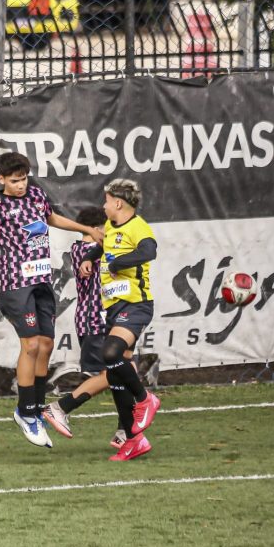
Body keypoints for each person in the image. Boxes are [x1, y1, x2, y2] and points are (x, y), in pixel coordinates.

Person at [0, 152, 103, 448]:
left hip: (42, 283)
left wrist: (86, 229)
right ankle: (25, 413)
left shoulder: (36, 195)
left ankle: (36, 408)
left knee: (46, 345)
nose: (21, 184)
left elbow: (51, 218)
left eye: (23, 178)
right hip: (17, 287)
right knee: (32, 345)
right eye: (14, 181)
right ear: (1, 179)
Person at [85, 178, 161, 461]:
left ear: (118, 203)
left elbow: (149, 251)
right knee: (116, 370)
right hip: (115, 307)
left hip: (136, 304)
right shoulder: (111, 226)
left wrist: (119, 263)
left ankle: (145, 399)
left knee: (111, 353)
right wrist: (91, 257)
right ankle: (133, 440)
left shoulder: (138, 226)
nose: (103, 206)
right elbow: (105, 246)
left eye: (106, 201)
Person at [42, 206, 126, 448]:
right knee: (116, 375)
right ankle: (61, 407)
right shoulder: (84, 250)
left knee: (121, 377)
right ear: (98, 229)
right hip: (94, 322)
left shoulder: (95, 249)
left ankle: (125, 431)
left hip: (108, 321)